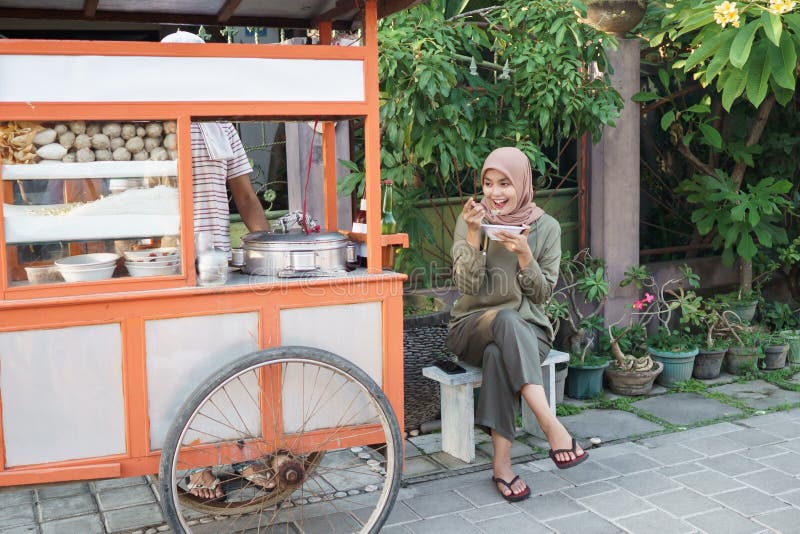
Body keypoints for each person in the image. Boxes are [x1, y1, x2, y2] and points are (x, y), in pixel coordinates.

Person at [161, 30, 270, 501]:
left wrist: (263, 249)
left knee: (231, 362)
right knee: (182, 366)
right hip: (166, 264)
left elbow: (245, 196)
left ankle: (244, 453)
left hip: (217, 263)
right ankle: (196, 465)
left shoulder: (221, 125)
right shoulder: (155, 122)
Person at [446, 147, 587, 502]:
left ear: (522, 184)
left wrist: (524, 254)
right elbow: (466, 287)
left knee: (499, 353)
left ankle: (502, 467)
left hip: (528, 331)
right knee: (502, 324)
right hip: (471, 327)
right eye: (489, 183)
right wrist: (474, 237)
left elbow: (540, 296)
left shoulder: (547, 228)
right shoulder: (471, 221)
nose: (495, 193)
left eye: (505, 183)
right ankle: (551, 425)